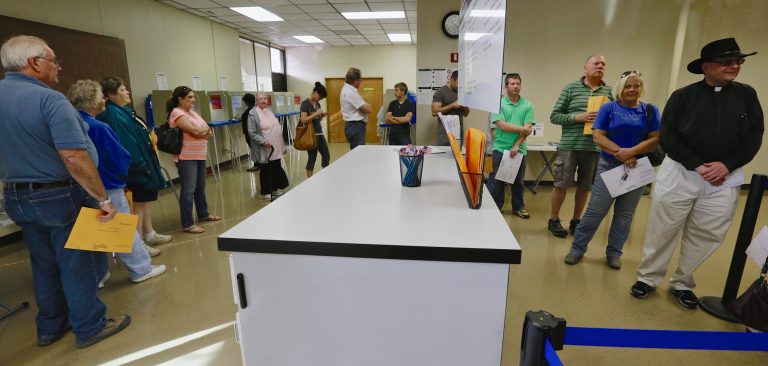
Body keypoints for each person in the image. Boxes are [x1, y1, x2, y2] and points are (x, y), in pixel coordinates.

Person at [0, 35, 130, 348]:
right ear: (33, 63)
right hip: (59, 196)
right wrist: (102, 199)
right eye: (53, 60)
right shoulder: (50, 100)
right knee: (77, 262)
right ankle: (89, 326)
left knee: (43, 263)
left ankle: (50, 327)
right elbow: (74, 156)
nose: (58, 67)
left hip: (17, 196)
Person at [631, 38, 764, 309]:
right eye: (726, 62)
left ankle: (682, 283)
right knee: (663, 229)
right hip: (681, 171)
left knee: (708, 233)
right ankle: (648, 278)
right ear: (706, 67)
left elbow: (754, 135)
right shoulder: (683, 97)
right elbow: (668, 137)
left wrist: (727, 164)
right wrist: (697, 164)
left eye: (738, 61)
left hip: (724, 177)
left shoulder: (747, 95)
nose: (734, 66)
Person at [67, 79, 167, 285]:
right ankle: (141, 269)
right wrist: (124, 176)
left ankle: (99, 274)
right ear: (93, 101)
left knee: (94, 230)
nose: (103, 100)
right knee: (122, 227)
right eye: (100, 96)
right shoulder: (99, 126)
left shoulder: (75, 124)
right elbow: (120, 157)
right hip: (108, 184)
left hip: (84, 185)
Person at [563, 71, 660, 269]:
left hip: (637, 167)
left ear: (641, 88)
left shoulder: (650, 110)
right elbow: (598, 136)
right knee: (594, 212)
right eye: (628, 86)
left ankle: (614, 253)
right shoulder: (608, 108)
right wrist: (621, 153)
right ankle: (577, 249)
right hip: (609, 166)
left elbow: (655, 139)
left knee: (625, 216)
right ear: (620, 88)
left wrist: (631, 153)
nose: (632, 89)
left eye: (636, 86)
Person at [98, 76, 172, 246]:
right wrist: (140, 166)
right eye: (122, 89)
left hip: (142, 163)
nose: (127, 92)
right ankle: (140, 245)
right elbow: (126, 145)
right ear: (111, 94)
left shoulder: (123, 111)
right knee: (137, 205)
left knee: (143, 201)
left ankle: (149, 233)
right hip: (135, 168)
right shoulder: (113, 115)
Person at [548, 55, 614, 237]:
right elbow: (554, 116)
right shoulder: (570, 88)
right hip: (570, 145)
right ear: (585, 68)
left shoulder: (608, 92)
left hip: (594, 147)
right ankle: (553, 219)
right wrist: (578, 117)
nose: (600, 66)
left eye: (603, 64)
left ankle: (576, 220)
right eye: (596, 63)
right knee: (561, 184)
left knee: (585, 187)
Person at [167, 86, 221, 233]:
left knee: (200, 187)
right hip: (186, 157)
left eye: (193, 97)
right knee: (188, 190)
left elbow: (208, 131)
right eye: (189, 97)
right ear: (180, 98)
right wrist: (201, 132)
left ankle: (203, 214)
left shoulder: (192, 113)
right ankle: (188, 223)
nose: (193, 100)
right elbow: (197, 131)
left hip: (199, 154)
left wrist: (201, 132)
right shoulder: (177, 113)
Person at [486, 73, 535, 217]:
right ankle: (496, 207)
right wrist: (522, 129)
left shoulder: (528, 105)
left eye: (518, 83)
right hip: (500, 148)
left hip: (519, 149)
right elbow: (502, 125)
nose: (515, 86)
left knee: (518, 182)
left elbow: (528, 129)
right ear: (506, 86)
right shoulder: (498, 104)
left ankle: (518, 207)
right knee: (497, 180)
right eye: (512, 84)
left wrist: (516, 145)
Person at [248, 92, 290, 200]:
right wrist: (263, 141)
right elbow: (251, 132)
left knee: (275, 167)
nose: (263, 101)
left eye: (265, 98)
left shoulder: (269, 111)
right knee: (266, 170)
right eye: (261, 99)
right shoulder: (252, 114)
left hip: (275, 147)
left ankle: (274, 188)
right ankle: (265, 191)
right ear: (257, 101)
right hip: (264, 148)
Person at [432, 70, 470, 146]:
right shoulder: (441, 92)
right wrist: (452, 105)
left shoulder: (462, 92)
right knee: (443, 157)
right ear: (452, 80)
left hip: (458, 134)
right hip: (444, 134)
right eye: (458, 83)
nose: (460, 86)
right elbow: (434, 112)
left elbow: (466, 114)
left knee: (457, 157)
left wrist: (464, 107)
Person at [300, 82, 330, 177]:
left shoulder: (317, 104)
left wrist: (321, 116)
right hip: (311, 135)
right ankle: (309, 180)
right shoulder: (305, 104)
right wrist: (316, 114)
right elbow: (303, 120)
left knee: (326, 155)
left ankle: (325, 175)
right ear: (315, 92)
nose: (320, 99)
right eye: (320, 97)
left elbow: (317, 119)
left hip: (319, 133)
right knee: (312, 158)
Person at [341, 67, 373, 150]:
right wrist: (366, 105)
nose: (360, 82)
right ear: (355, 81)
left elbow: (365, 107)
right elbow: (368, 109)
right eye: (360, 80)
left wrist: (365, 105)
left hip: (353, 126)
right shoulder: (349, 92)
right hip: (355, 126)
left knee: (356, 152)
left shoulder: (348, 90)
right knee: (358, 153)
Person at [240, 93, 259, 172]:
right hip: (256, 132)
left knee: (253, 148)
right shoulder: (256, 109)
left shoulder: (249, 111)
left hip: (250, 133)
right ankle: (260, 164)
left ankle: (256, 165)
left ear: (247, 102)